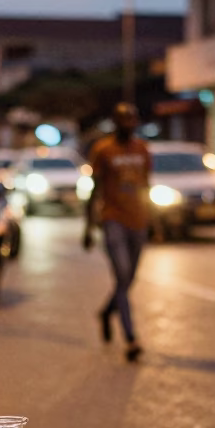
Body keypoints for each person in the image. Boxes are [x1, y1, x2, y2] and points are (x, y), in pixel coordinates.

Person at [83, 102, 152, 362]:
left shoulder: (142, 149)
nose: (128, 124)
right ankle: (131, 337)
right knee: (122, 274)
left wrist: (153, 222)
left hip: (138, 220)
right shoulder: (102, 149)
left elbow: (147, 185)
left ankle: (106, 312)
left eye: (131, 119)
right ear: (115, 122)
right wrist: (88, 226)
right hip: (113, 220)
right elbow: (93, 190)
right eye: (123, 119)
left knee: (129, 278)